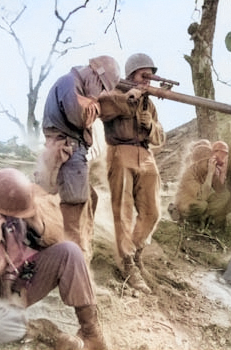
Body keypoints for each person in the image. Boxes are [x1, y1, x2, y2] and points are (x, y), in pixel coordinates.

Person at [0, 167, 108, 350]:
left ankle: (91, 332)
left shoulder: (23, 215)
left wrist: (35, 222)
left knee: (69, 251)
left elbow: (57, 239)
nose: (13, 221)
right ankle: (45, 332)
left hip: (20, 283)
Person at [35, 55, 120, 265]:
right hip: (69, 154)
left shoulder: (76, 85)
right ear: (94, 73)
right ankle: (74, 263)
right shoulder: (69, 83)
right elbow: (80, 117)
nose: (100, 92)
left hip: (70, 153)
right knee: (74, 212)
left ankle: (75, 257)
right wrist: (98, 106)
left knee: (89, 199)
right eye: (101, 86)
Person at [98, 53, 166, 294]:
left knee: (153, 211)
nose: (148, 80)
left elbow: (160, 138)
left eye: (150, 75)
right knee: (123, 211)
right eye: (143, 75)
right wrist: (129, 99)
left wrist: (151, 126)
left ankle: (135, 252)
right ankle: (127, 263)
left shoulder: (150, 103)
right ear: (130, 75)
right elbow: (103, 109)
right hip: (120, 152)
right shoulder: (115, 92)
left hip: (145, 155)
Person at [170, 140, 230, 228]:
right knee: (202, 205)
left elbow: (220, 190)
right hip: (186, 204)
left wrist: (221, 173)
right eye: (206, 161)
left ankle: (203, 218)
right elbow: (202, 196)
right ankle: (186, 220)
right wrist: (210, 174)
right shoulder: (189, 174)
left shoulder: (209, 169)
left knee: (225, 195)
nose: (209, 163)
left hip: (200, 200)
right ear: (198, 162)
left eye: (210, 160)